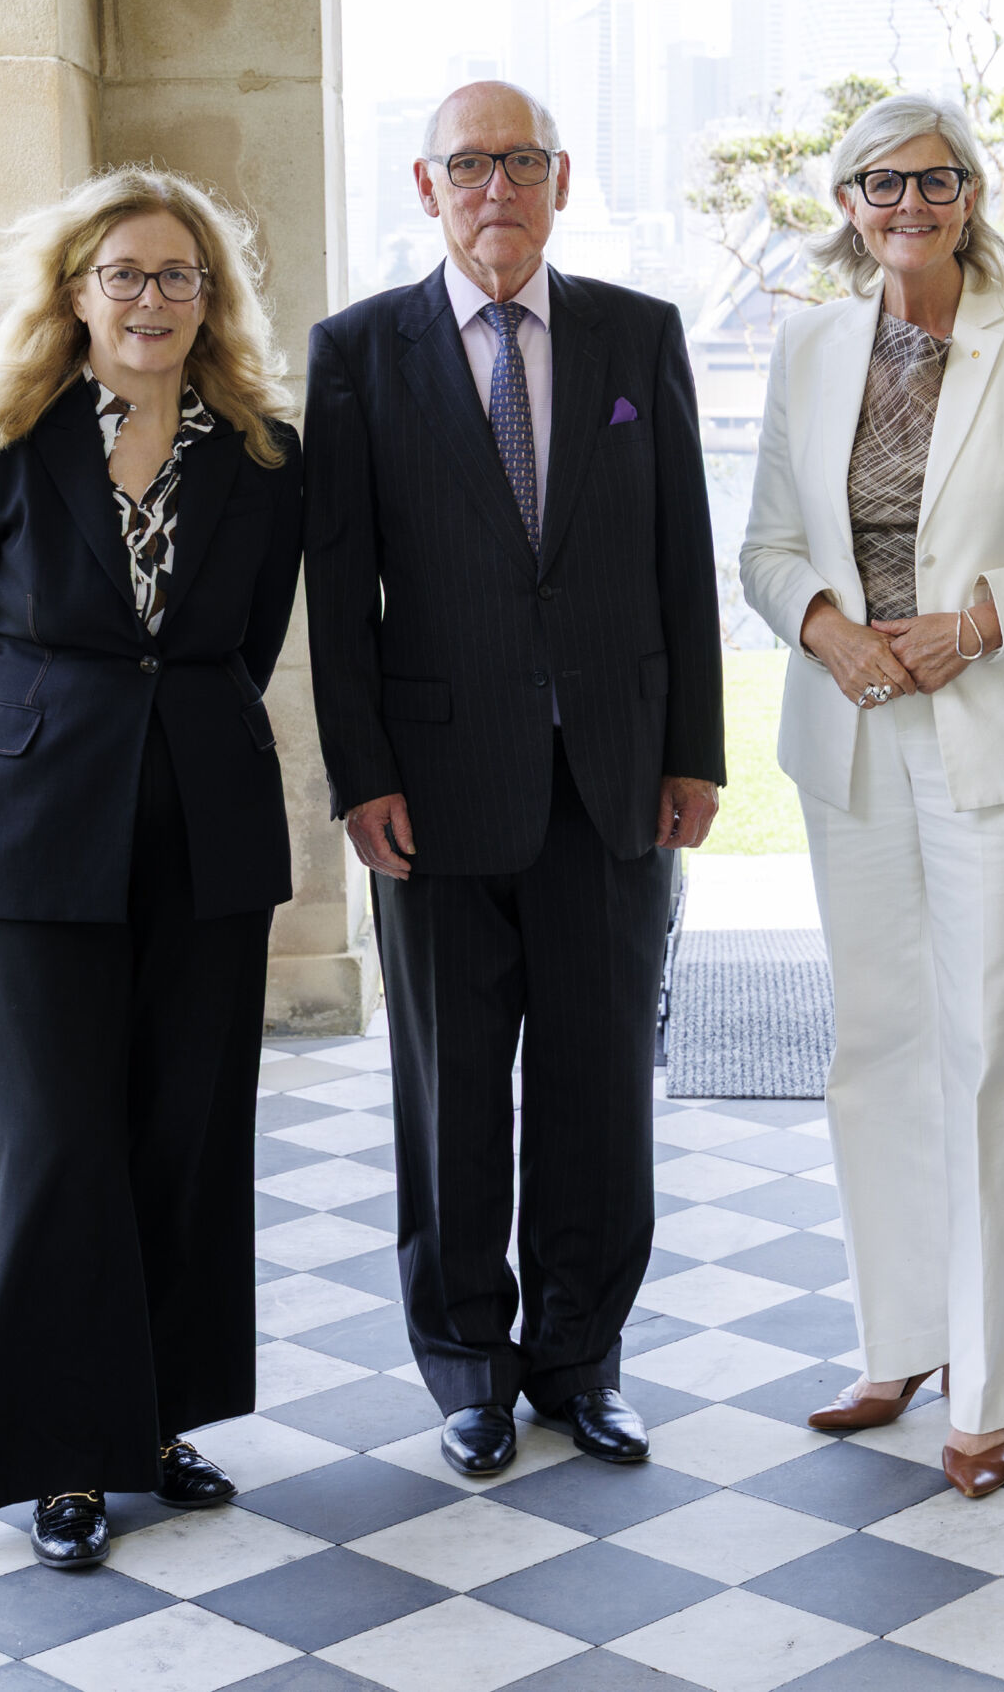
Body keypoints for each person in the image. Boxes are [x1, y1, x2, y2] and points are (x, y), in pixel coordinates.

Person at [303, 81, 725, 1479]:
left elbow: (681, 562)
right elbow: (337, 585)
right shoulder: (359, 353)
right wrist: (360, 774)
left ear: (561, 176)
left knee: (603, 1089)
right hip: (432, 790)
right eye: (470, 164)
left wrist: (694, 752)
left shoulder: (635, 334)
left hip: (612, 784)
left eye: (523, 162)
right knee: (453, 1092)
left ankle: (581, 1361)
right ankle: (470, 1366)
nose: (499, 187)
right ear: (426, 188)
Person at [0, 167, 304, 1569]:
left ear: (213, 299)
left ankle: (156, 1418)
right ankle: (62, 1450)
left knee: (183, 1131)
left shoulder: (260, 449)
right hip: (27, 848)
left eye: (178, 275)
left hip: (205, 827)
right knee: (61, 1143)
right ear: (72, 292)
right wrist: (26, 769)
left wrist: (158, 747)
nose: (151, 298)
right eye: (123, 274)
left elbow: (246, 640)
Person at [739, 93, 1004, 1499]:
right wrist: (824, 624)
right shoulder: (809, 341)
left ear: (972, 196)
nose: (912, 201)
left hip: (991, 731)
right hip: (849, 728)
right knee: (879, 1041)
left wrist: (976, 621)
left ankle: (989, 1374)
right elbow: (769, 545)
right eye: (883, 182)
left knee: (989, 1052)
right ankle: (896, 1338)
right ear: (847, 203)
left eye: (939, 179)